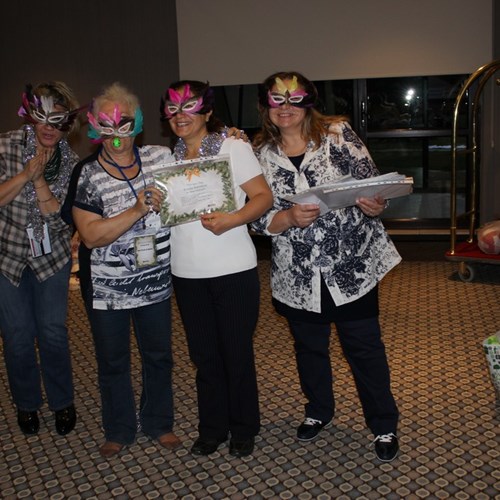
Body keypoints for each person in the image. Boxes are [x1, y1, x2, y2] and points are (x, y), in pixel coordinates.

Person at [251, 71, 401, 462]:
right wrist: (285, 219)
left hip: (350, 266)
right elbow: (254, 216)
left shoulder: (338, 135)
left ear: (309, 102)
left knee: (364, 348)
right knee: (309, 348)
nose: (285, 107)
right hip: (298, 273)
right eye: (276, 99)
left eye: (294, 99)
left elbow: (374, 186)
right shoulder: (258, 153)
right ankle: (319, 409)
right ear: (266, 105)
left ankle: (383, 423)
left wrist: (375, 204)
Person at [160, 80, 273, 457]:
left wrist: (233, 219)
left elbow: (263, 196)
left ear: (207, 112)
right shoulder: (167, 159)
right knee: (204, 355)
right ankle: (212, 428)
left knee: (236, 352)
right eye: (173, 109)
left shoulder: (232, 146)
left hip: (232, 268)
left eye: (189, 107)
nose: (180, 116)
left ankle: (243, 427)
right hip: (186, 270)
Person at [71, 82, 180, 458]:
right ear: (95, 126)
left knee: (159, 355)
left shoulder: (160, 157)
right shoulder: (88, 173)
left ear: (138, 123)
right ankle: (118, 429)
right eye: (107, 124)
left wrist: (228, 138)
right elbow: (90, 236)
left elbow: (200, 167)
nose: (116, 133)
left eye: (124, 123)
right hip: (108, 289)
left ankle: (159, 423)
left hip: (155, 281)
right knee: (113, 361)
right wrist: (135, 210)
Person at [0, 82, 80, 436]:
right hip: (8, 256)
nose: (49, 127)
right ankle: (27, 404)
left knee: (52, 333)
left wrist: (40, 182)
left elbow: (61, 221)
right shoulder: (5, 146)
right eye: (43, 118)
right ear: (30, 116)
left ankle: (62, 402)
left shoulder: (72, 163)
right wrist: (25, 175)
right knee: (17, 335)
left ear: (68, 124)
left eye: (58, 120)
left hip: (51, 258)